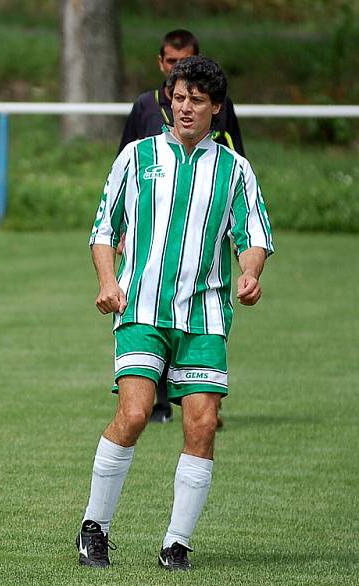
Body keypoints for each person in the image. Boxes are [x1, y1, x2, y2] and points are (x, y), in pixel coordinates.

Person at [77, 56, 272, 571]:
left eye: (197, 101)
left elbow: (254, 236)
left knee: (202, 426)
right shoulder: (137, 157)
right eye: (179, 98)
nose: (185, 108)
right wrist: (106, 282)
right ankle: (94, 527)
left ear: (217, 110)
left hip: (205, 316)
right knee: (136, 413)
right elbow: (103, 227)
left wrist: (250, 274)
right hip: (141, 308)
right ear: (169, 100)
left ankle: (176, 543)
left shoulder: (235, 169)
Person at [118, 29, 246, 424]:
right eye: (171, 63)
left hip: (203, 251)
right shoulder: (143, 110)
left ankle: (198, 398)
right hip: (149, 236)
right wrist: (124, 228)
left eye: (183, 60)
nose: (185, 105)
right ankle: (157, 402)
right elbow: (124, 170)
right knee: (152, 304)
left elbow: (236, 152)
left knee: (201, 419)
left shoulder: (228, 158)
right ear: (161, 65)